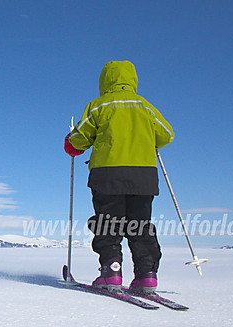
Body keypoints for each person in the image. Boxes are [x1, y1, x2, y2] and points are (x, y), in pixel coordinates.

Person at [64, 60, 174, 294]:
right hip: (143, 176)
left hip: (107, 174)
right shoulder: (145, 107)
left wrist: (71, 143)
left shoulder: (99, 106)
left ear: (105, 80)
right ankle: (146, 274)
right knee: (140, 224)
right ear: (132, 79)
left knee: (107, 222)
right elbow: (166, 135)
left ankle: (111, 271)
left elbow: (80, 137)